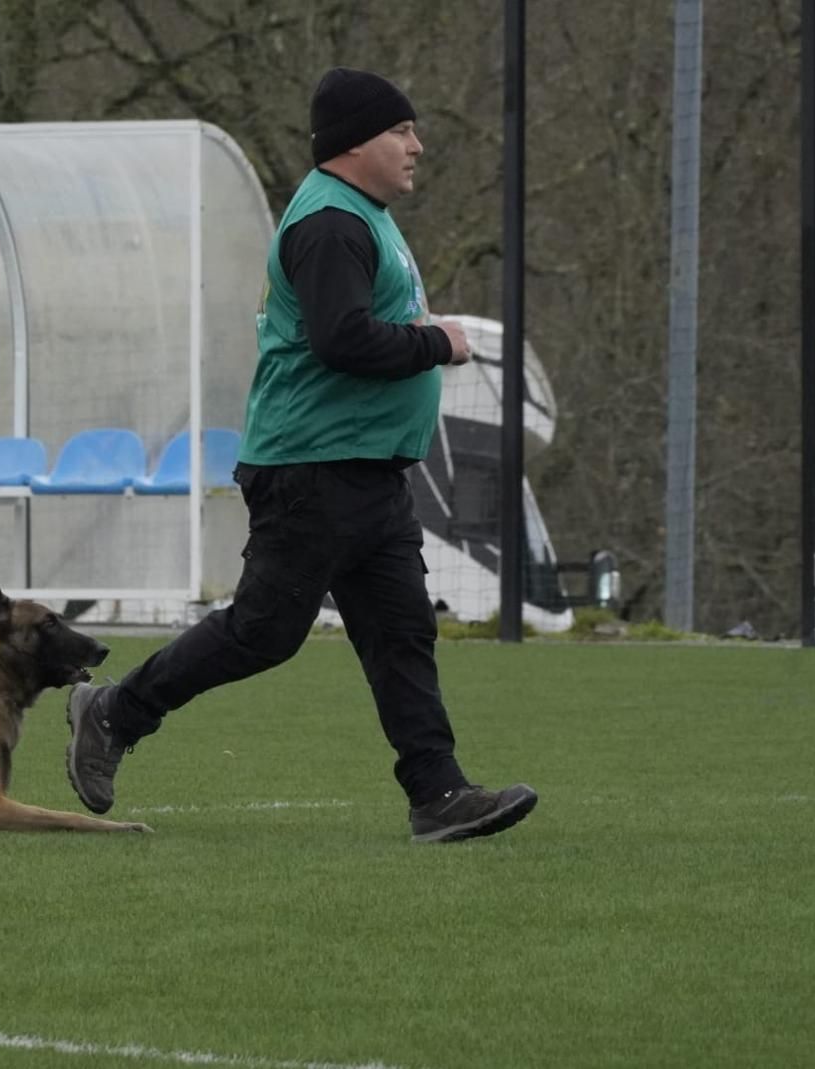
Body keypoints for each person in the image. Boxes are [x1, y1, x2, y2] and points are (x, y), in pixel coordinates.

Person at [64, 67, 537, 843]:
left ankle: (438, 793)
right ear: (357, 143)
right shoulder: (329, 224)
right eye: (401, 131)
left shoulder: (362, 216)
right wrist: (438, 343)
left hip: (368, 471)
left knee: (401, 631)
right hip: (311, 471)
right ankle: (114, 709)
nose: (417, 145)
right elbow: (342, 339)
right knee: (263, 630)